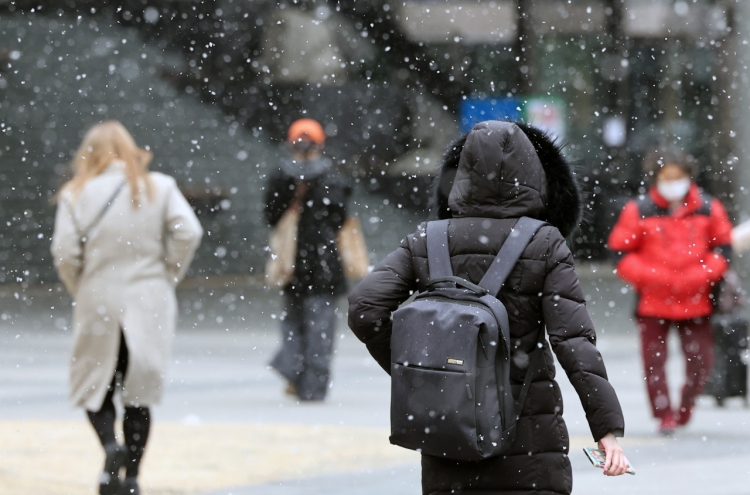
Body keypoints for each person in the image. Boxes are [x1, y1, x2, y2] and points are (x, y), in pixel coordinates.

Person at [348, 121, 629, 495]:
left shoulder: (428, 238)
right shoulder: (545, 242)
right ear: (534, 175)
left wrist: (424, 372)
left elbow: (366, 307)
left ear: (462, 173)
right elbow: (573, 340)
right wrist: (606, 429)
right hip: (527, 432)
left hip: (449, 427)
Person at [51, 121, 203, 495]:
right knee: (139, 393)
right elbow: (189, 232)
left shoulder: (76, 193)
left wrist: (81, 285)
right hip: (149, 299)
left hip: (98, 296)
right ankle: (132, 478)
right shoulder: (160, 186)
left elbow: (64, 251)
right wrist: (168, 271)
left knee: (93, 385)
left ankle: (109, 449)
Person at [608, 147, 732, 434]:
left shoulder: (709, 208)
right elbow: (621, 253)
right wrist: (653, 277)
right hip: (653, 301)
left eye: (678, 176)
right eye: (666, 177)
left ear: (689, 177)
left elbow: (723, 249)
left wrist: (700, 275)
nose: (673, 182)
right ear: (655, 179)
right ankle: (664, 414)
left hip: (697, 300)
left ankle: (686, 407)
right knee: (654, 362)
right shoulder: (638, 210)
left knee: (701, 361)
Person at [265, 118, 351, 401]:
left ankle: (293, 370)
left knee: (293, 323)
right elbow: (339, 217)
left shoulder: (280, 176)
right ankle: (314, 385)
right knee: (321, 328)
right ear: (320, 144)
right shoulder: (333, 178)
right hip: (324, 261)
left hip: (292, 263)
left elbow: (271, 215)